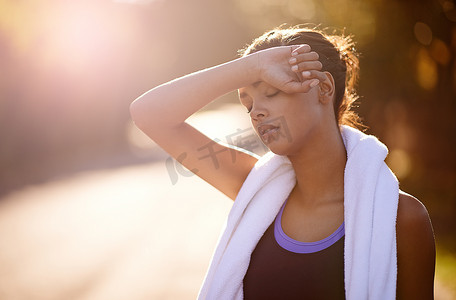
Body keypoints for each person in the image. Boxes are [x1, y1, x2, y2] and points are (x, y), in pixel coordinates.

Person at [130, 26, 435, 299]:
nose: (255, 113)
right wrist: (253, 66)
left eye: (271, 93)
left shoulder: (402, 219)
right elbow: (148, 114)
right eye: (247, 102)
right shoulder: (253, 188)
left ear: (324, 89)